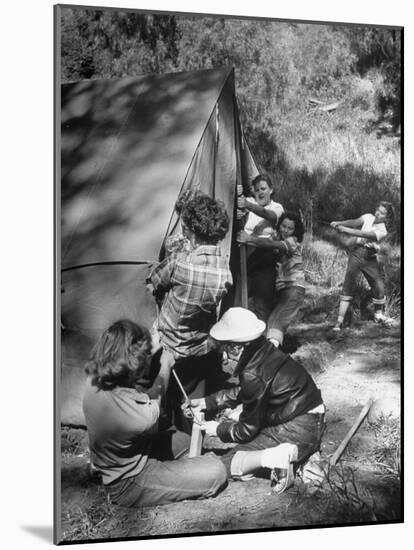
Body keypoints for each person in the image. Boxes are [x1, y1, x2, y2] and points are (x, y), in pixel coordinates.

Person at [82, 320, 227, 508]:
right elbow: (155, 399)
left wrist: (153, 342)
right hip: (130, 480)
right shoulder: (136, 417)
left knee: (183, 440)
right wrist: (165, 365)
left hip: (133, 451)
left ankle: (101, 468)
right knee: (215, 472)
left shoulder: (96, 375)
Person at [184, 307, 325, 493]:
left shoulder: (253, 374)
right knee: (250, 447)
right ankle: (302, 455)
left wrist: (217, 429)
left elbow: (245, 431)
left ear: (237, 346)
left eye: (225, 349)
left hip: (297, 426)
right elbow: (247, 392)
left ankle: (278, 457)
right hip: (311, 418)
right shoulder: (264, 350)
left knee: (223, 465)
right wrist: (208, 402)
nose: (224, 357)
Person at [147, 192, 233, 431]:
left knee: (158, 403)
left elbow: (153, 281)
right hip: (199, 349)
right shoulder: (225, 272)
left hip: (167, 347)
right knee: (190, 408)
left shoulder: (178, 264)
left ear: (191, 232)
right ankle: (192, 448)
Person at [238, 211, 306, 349]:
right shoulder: (279, 240)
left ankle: (269, 359)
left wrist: (249, 238)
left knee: (276, 323)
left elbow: (271, 244)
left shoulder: (292, 242)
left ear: (295, 231)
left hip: (294, 289)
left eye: (290, 228)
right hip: (285, 290)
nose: (285, 230)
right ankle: (268, 355)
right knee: (271, 322)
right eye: (283, 226)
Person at [330, 201, 395, 331]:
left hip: (370, 258)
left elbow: (364, 234)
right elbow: (354, 222)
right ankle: (339, 321)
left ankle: (379, 315)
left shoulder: (383, 231)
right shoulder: (368, 217)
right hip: (357, 254)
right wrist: (339, 223)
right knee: (348, 285)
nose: (378, 213)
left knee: (379, 286)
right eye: (378, 209)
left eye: (382, 213)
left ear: (387, 217)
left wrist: (345, 230)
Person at [237, 174, 284, 321]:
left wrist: (248, 206)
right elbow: (236, 203)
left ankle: (263, 340)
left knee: (262, 304)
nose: (260, 193)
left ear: (271, 190)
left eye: (263, 189)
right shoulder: (250, 201)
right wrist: (237, 194)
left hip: (265, 257)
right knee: (239, 302)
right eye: (257, 190)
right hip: (246, 256)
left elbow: (269, 215)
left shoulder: (277, 207)